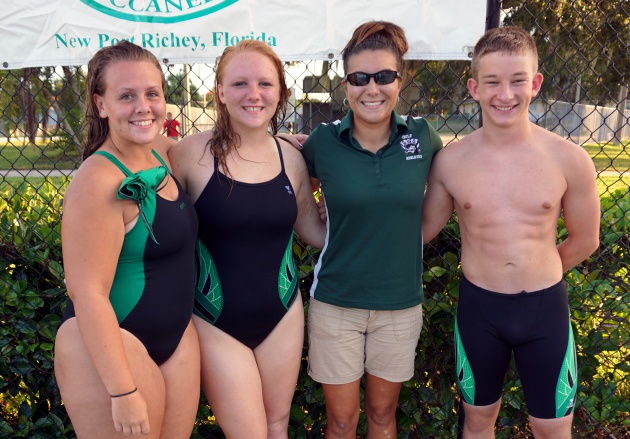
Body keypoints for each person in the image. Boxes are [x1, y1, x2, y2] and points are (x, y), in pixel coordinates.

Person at [421, 26, 600, 439]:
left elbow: (585, 239)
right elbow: (423, 232)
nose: (505, 94)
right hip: (479, 310)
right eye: (493, 82)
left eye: (518, 80)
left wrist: (538, 271)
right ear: (474, 88)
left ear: (535, 83)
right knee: (479, 421)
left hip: (545, 310)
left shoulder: (569, 159)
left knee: (551, 427)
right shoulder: (451, 162)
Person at [168, 40, 326, 439]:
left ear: (280, 93)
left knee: (276, 426)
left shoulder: (291, 158)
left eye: (265, 84)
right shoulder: (188, 155)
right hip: (215, 319)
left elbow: (311, 231)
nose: (253, 94)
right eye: (239, 83)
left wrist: (355, 213)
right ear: (220, 91)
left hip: (283, 312)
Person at [300, 21, 443, 438]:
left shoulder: (423, 137)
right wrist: (328, 233)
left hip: (400, 305)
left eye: (384, 76)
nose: (372, 88)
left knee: (382, 415)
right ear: (346, 85)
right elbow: (296, 199)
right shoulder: (322, 142)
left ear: (401, 80)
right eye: (359, 78)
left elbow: (441, 202)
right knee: (342, 421)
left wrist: (407, 241)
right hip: (336, 304)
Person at [54, 41, 200, 439]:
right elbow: (87, 293)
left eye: (152, 93)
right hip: (114, 351)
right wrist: (123, 390)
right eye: (127, 96)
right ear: (101, 104)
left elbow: (219, 148)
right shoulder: (96, 180)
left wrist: (291, 145)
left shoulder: (160, 152)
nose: (143, 106)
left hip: (177, 340)